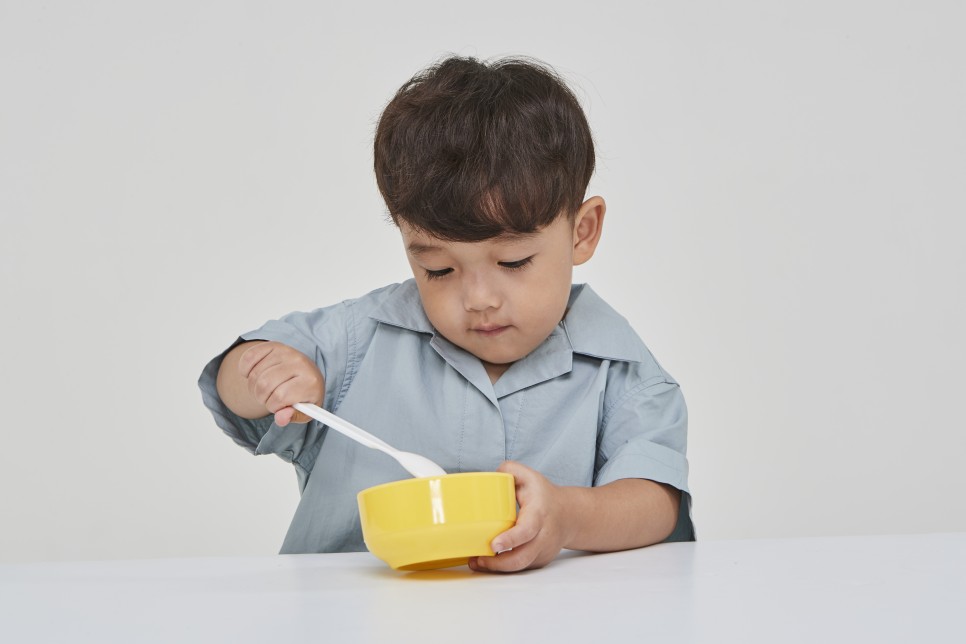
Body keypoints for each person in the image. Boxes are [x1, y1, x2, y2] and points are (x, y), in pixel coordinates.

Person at [198, 55, 693, 573]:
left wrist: (569, 517)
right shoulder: (359, 339)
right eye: (438, 269)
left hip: (543, 612)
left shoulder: (623, 372)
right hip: (351, 608)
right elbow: (236, 385)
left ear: (582, 231)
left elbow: (656, 502)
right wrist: (265, 372)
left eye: (513, 262)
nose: (478, 298)